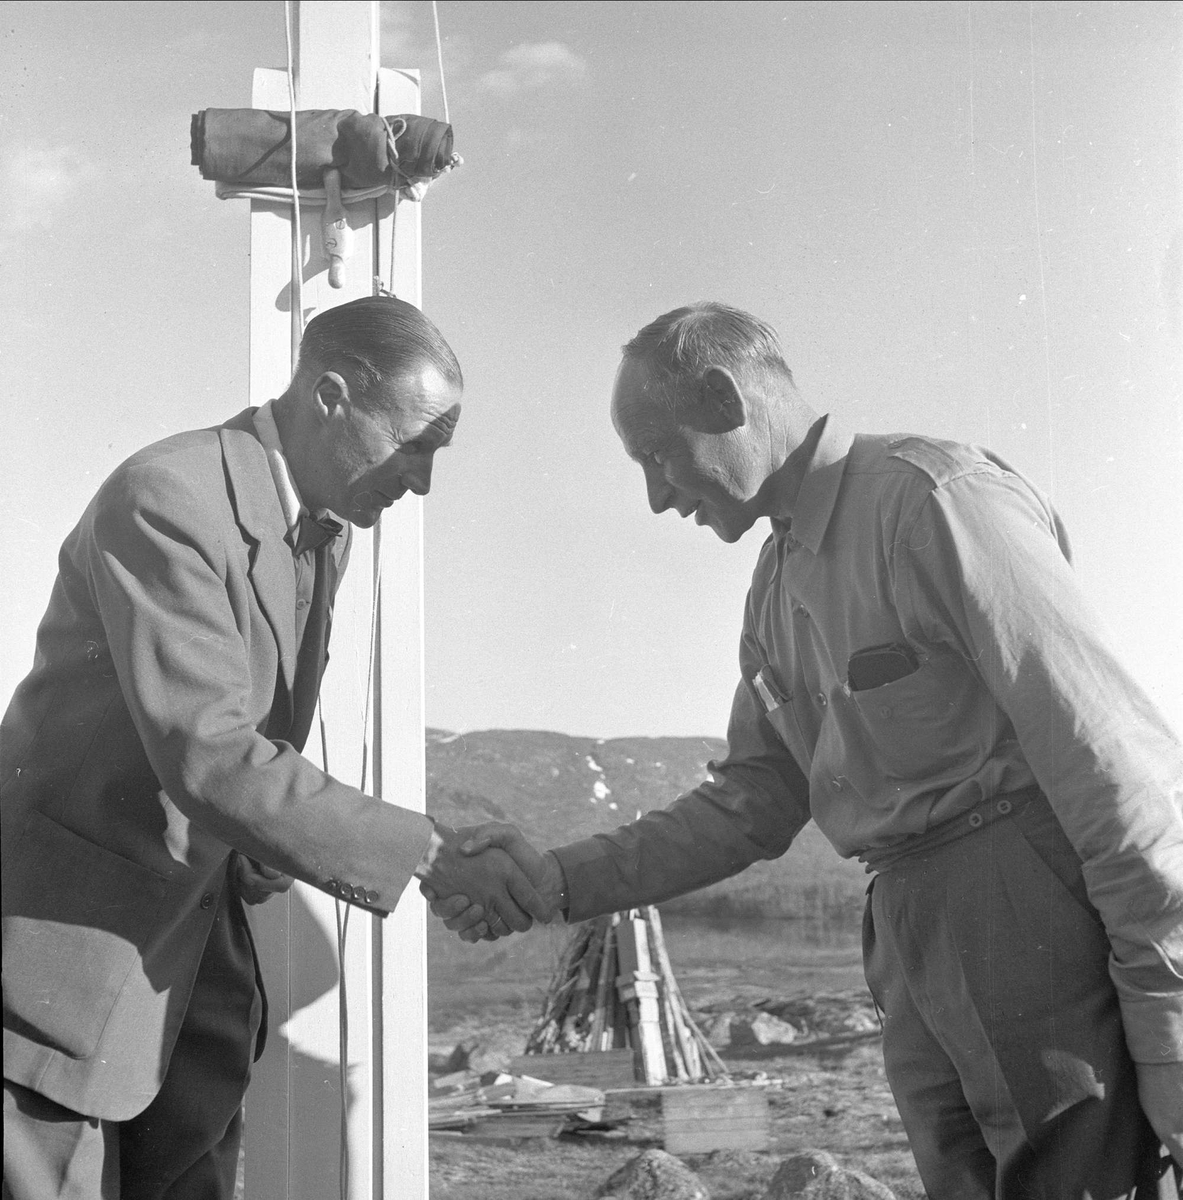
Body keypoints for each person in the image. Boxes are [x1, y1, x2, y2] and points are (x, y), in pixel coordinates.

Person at [429, 303, 1183, 1198]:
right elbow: (747, 804)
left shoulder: (934, 502)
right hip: (904, 929)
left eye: (658, 455)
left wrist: (1167, 1003)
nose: (657, 496)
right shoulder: (772, 590)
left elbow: (1106, 752)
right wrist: (552, 881)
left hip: (1015, 907)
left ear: (721, 398)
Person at [1, 295, 548, 1200]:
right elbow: (211, 753)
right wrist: (434, 854)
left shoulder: (318, 530)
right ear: (330, 394)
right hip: (74, 951)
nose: (421, 482)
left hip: (196, 953)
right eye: (413, 444)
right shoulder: (167, 496)